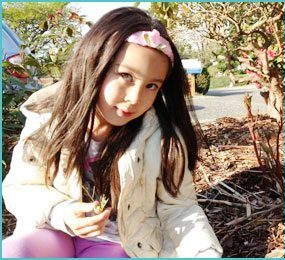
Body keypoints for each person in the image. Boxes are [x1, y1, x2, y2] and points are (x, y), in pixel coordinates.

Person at [2, 7, 223, 258]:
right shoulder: (48, 119)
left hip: (117, 242)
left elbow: (179, 207)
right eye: (125, 76)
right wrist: (60, 212)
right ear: (94, 63)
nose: (135, 98)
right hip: (54, 231)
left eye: (151, 85)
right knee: (14, 252)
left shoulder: (161, 139)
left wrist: (203, 252)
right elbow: (20, 187)